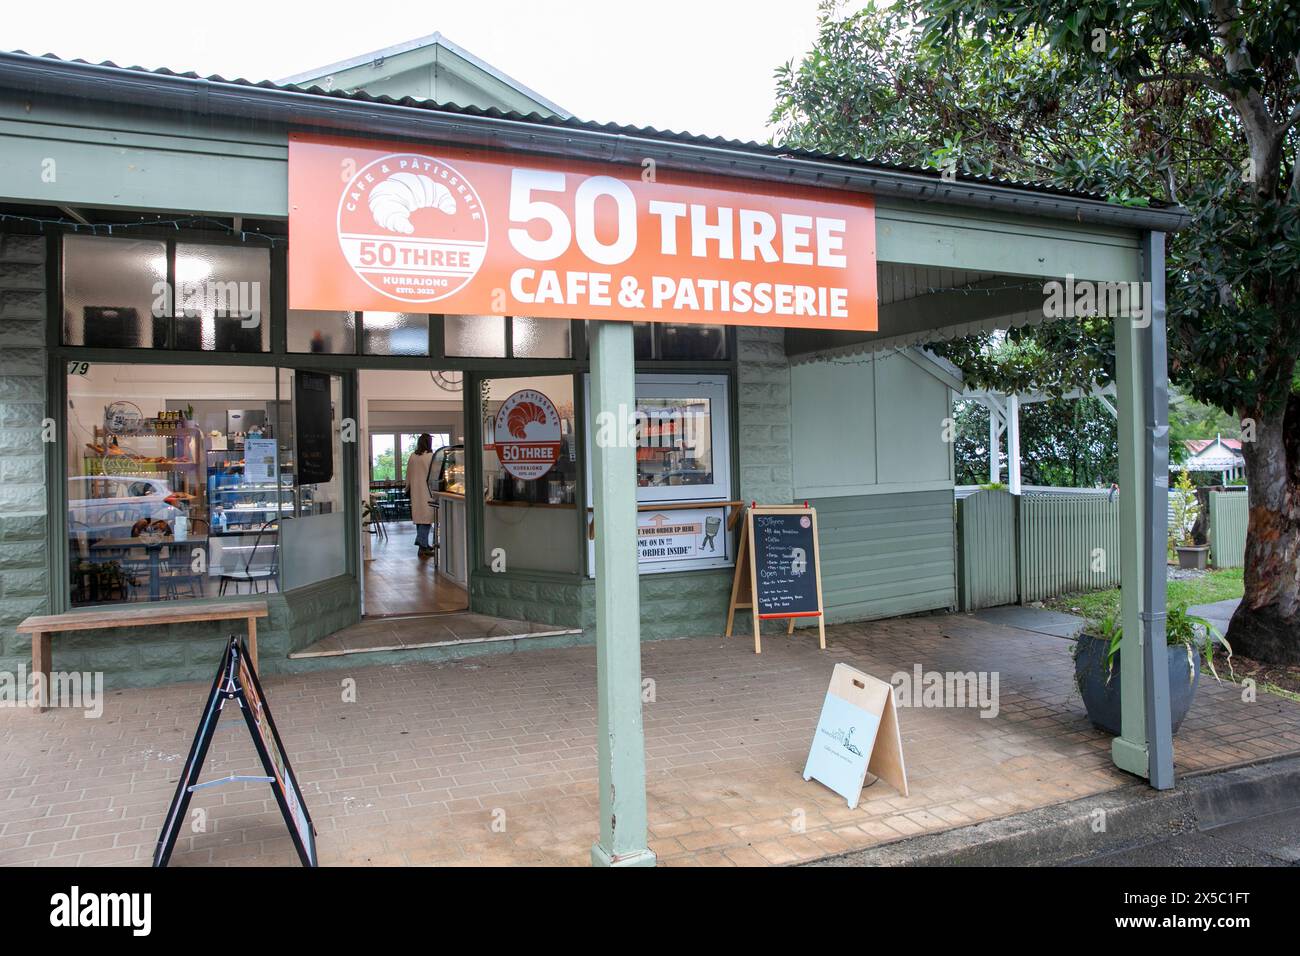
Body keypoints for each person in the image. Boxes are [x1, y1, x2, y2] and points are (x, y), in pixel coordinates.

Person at [404, 433, 437, 558]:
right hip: (427, 492)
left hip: (416, 492)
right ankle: (422, 544)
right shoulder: (431, 457)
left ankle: (423, 544)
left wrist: (407, 487)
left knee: (420, 518)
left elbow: (408, 474)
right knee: (427, 518)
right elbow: (435, 474)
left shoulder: (413, 456)